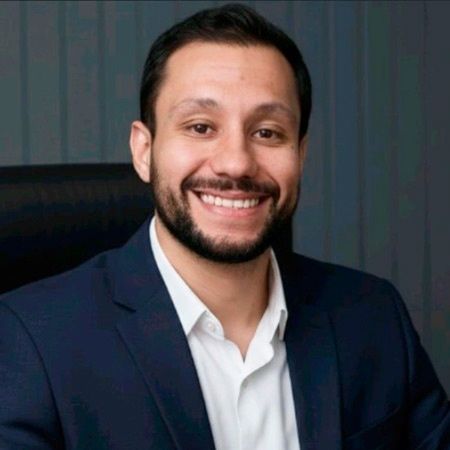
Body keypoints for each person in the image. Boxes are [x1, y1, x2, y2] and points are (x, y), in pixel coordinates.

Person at [0, 4, 449, 450]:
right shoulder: (33, 341)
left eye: (267, 132)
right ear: (144, 150)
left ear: (301, 154)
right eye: (200, 127)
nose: (236, 163)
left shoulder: (373, 315)